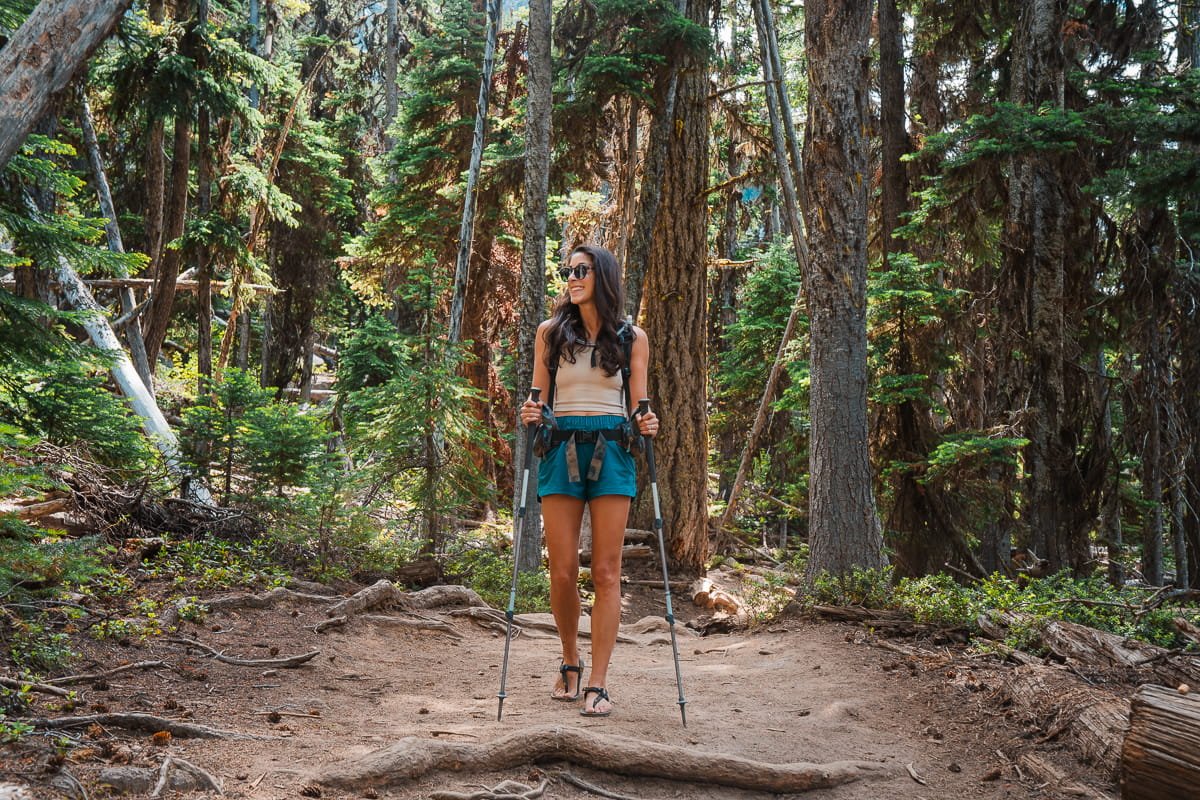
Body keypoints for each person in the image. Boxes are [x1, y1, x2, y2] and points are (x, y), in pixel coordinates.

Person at [519, 244, 658, 718]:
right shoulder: (551, 333)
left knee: (605, 572)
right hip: (560, 449)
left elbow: (638, 403)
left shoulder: (630, 336)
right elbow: (538, 395)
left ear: (603, 275)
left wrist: (647, 420)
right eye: (568, 270)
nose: (572, 277)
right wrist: (532, 411)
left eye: (581, 270)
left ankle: (598, 682)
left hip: (613, 452)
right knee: (560, 571)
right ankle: (570, 660)